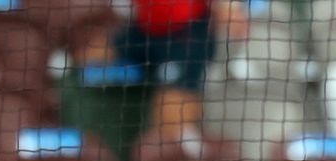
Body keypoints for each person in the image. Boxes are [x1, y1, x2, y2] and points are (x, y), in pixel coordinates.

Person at [77, 0, 249, 140]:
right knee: (86, 54)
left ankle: (187, 147)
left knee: (169, 126)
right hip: (144, 27)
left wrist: (229, 6)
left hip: (186, 33)